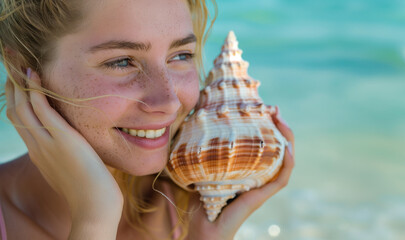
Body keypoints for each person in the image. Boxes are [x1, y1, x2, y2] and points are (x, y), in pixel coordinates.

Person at [0, 0, 295, 239]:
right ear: (20, 70)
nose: (169, 102)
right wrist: (94, 218)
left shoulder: (185, 212)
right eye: (121, 61)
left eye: (180, 55)